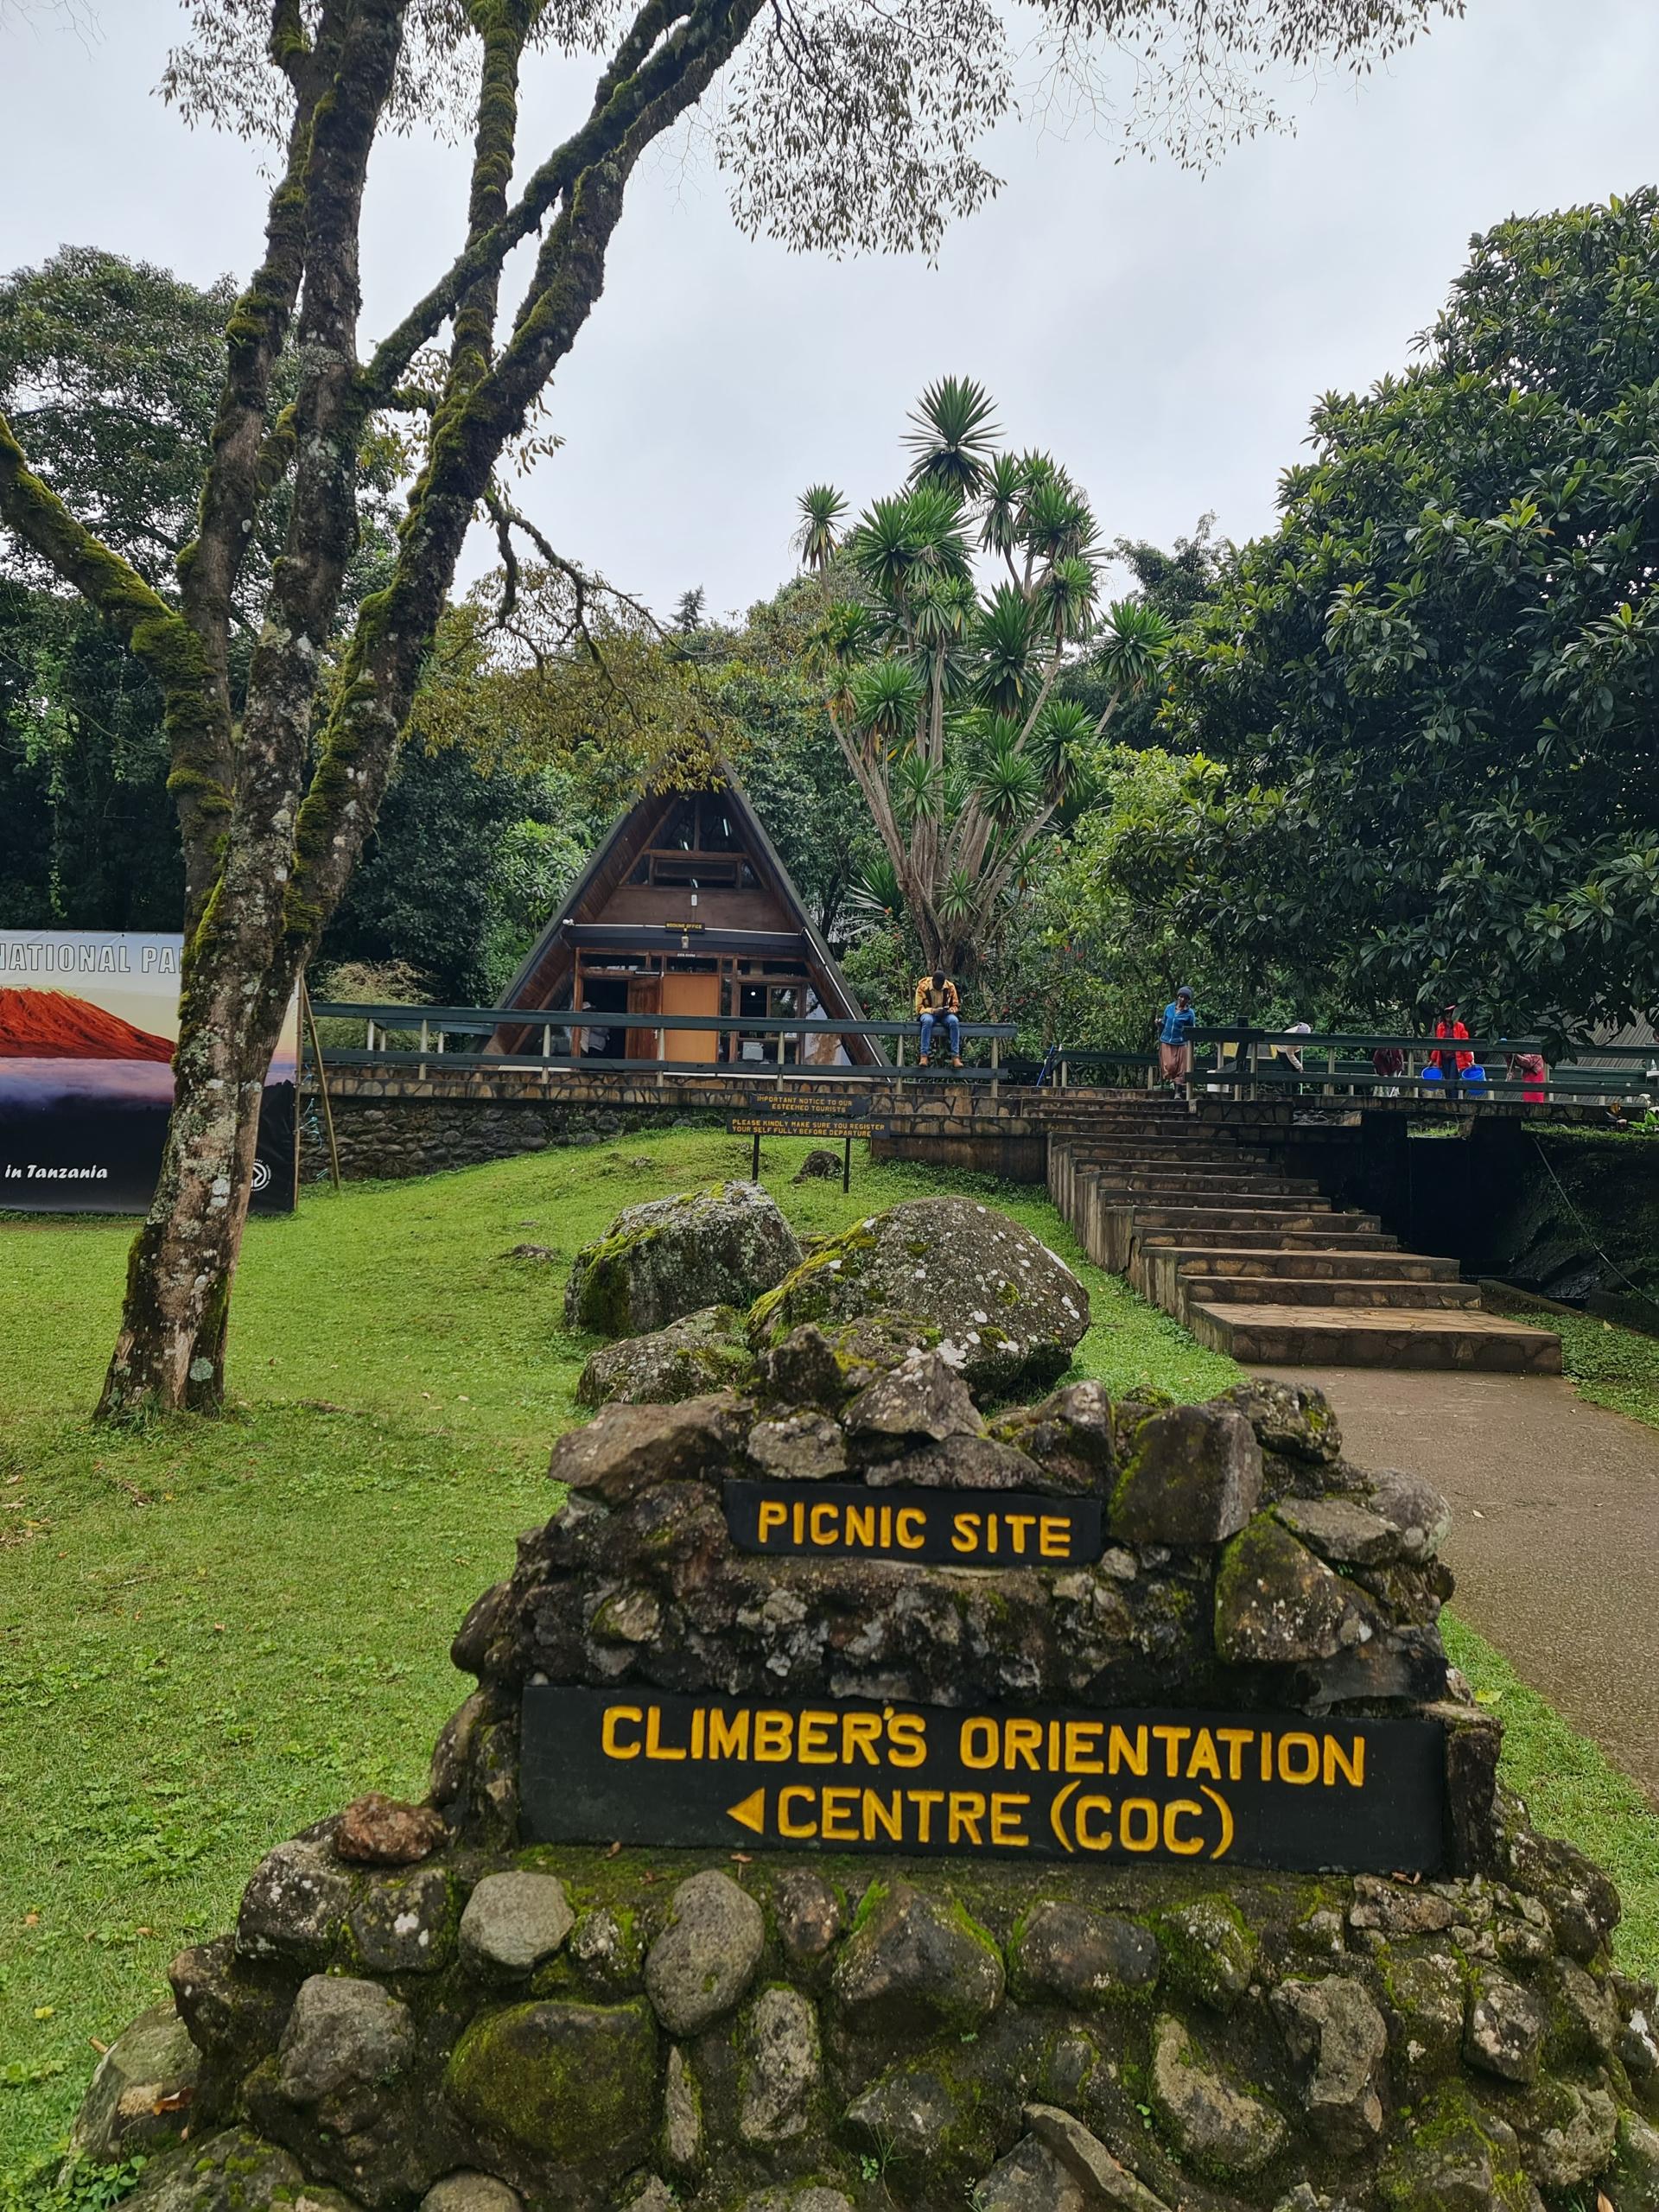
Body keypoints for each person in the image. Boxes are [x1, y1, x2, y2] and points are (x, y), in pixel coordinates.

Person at [914, 969, 961, 1067]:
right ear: (933, 982)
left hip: (945, 1014)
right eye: (938, 985)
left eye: (942, 985)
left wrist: (948, 1011)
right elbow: (919, 1008)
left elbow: (955, 1005)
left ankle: (955, 1056)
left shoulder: (950, 987)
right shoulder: (923, 988)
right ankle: (924, 1056)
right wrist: (933, 1011)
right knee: (927, 1021)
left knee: (954, 1022)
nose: (940, 987)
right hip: (929, 1013)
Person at [1158, 986, 1197, 1097]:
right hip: (1167, 1040)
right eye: (1181, 996)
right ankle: (1172, 1082)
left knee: (1181, 1068)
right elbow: (1165, 1022)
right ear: (1178, 997)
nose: (1182, 999)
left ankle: (1178, 1092)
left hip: (1181, 1042)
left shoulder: (1190, 1013)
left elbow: (1192, 1029)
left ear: (1188, 1000)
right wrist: (1159, 1023)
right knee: (1170, 1066)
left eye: (1185, 998)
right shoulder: (1169, 1008)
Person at [1433, 1001, 1473, 1088]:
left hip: (1455, 1057)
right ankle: (1448, 1100)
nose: (1449, 1015)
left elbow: (1464, 1044)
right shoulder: (1440, 1027)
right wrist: (1432, 1060)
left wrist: (1470, 1060)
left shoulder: (1460, 1026)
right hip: (1444, 1057)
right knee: (1447, 1080)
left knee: (1453, 1079)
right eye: (1447, 1013)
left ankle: (1454, 1101)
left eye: (1451, 1013)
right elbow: (1437, 1044)